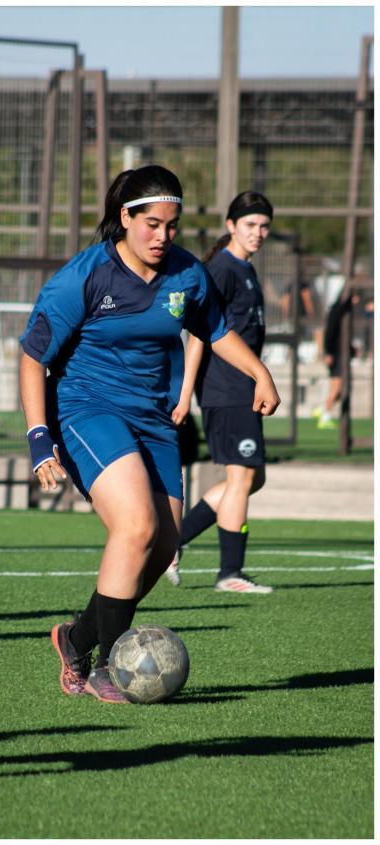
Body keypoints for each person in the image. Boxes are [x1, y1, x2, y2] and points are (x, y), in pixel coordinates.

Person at [19, 167, 280, 704]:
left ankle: (75, 638)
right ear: (125, 219)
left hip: (154, 416)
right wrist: (39, 438)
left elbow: (216, 330)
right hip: (86, 409)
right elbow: (31, 356)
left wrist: (260, 372)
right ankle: (109, 670)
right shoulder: (84, 276)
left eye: (172, 225)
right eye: (152, 224)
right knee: (136, 525)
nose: (163, 236)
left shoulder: (187, 273)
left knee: (162, 547)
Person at [165, 190, 275, 593]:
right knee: (242, 476)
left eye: (264, 226)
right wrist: (186, 393)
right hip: (225, 389)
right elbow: (198, 334)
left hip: (242, 388)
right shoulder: (222, 270)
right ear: (230, 226)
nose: (258, 232)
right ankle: (230, 573)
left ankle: (171, 543)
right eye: (249, 224)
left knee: (250, 478)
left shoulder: (245, 269)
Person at [312, 290, 359, 430]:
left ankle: (322, 409)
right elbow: (330, 332)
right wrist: (328, 352)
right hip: (336, 355)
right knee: (337, 387)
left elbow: (342, 336)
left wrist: (351, 349)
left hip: (342, 354)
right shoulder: (337, 310)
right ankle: (325, 417)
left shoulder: (345, 311)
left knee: (343, 388)